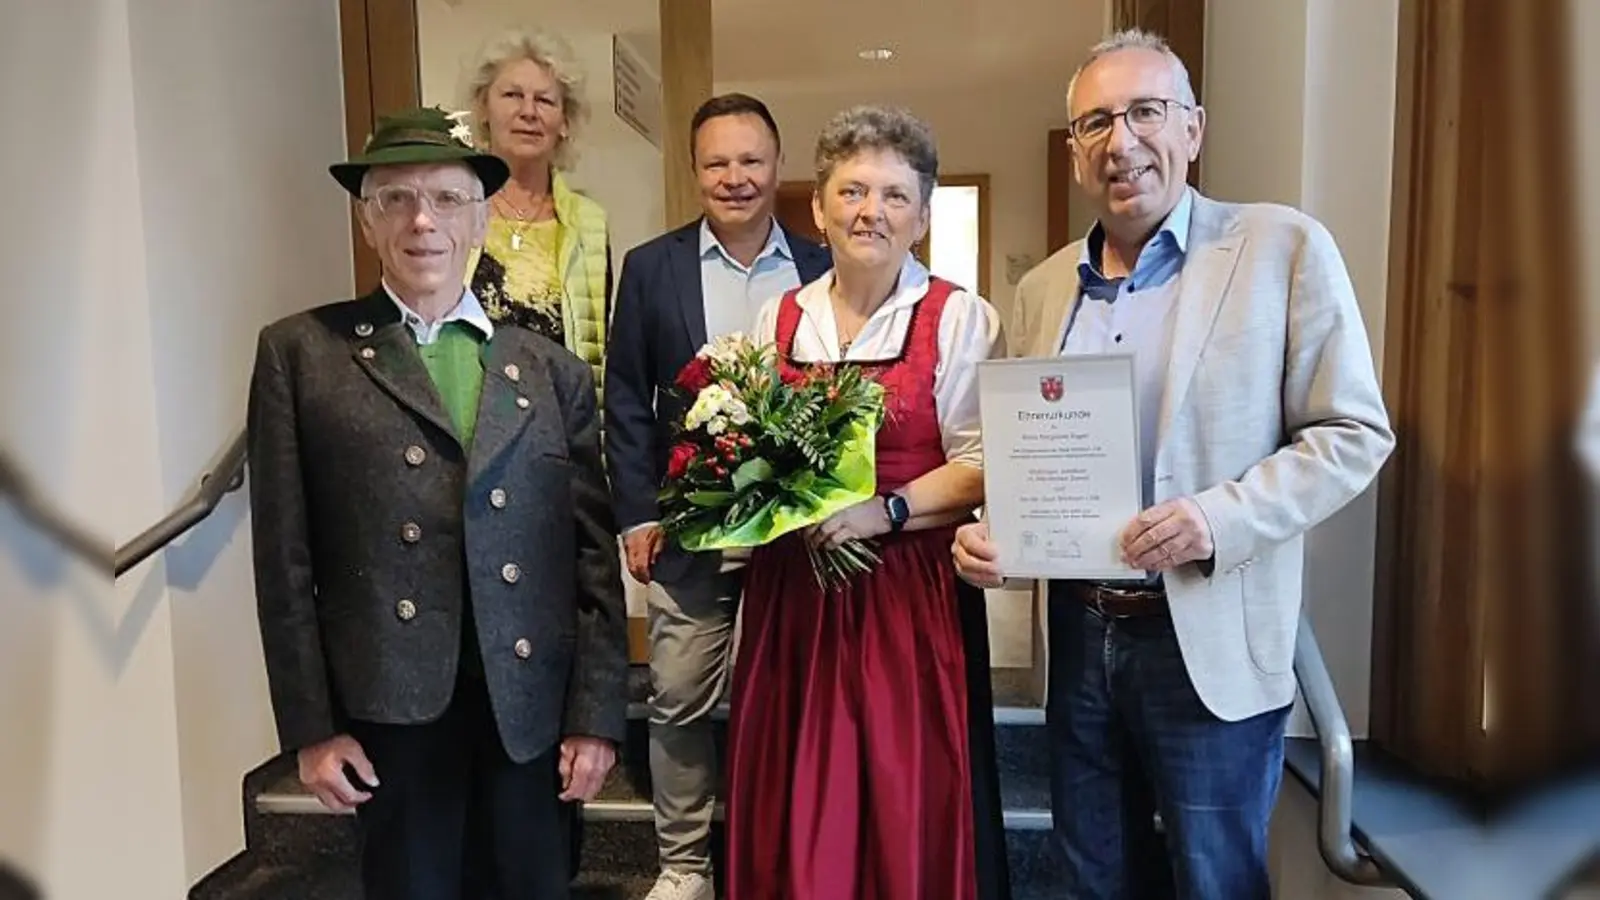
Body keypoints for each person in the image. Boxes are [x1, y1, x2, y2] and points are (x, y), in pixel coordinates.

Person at [952, 29, 1395, 900]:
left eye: (1145, 112)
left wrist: (1215, 519)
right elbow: (1034, 458)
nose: (1121, 142)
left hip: (1208, 636)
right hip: (1078, 636)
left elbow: (1353, 433)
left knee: (1214, 882)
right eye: (1094, 123)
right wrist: (996, 534)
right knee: (1090, 878)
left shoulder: (1280, 248)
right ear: (1075, 150)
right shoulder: (1044, 291)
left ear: (1193, 128)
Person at [247, 106, 628, 900]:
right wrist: (311, 730)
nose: (423, 221)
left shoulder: (549, 370)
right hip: (390, 708)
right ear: (367, 221)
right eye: (396, 200)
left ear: (481, 218)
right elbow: (284, 561)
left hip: (529, 712)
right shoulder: (302, 354)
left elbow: (592, 555)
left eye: (448, 200)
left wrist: (596, 714)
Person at [723, 104, 1012, 900]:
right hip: (796, 598)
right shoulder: (779, 317)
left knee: (901, 782)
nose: (869, 212)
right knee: (798, 777)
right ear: (817, 208)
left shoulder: (958, 316)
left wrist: (880, 511)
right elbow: (749, 447)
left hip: (909, 597)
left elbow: (985, 463)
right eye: (851, 191)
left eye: (892, 195)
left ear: (922, 214)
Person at [604, 92, 831, 900]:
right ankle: (685, 865)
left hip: (795, 533)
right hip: (687, 527)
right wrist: (636, 512)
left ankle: (793, 853)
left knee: (801, 698)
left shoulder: (821, 266)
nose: (735, 177)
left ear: (777, 166)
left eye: (750, 160)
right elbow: (626, 398)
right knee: (676, 696)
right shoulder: (650, 267)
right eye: (716, 162)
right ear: (694, 170)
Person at [463, 28, 611, 392]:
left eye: (545, 100)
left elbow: (597, 348)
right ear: (483, 108)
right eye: (512, 95)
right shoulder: (454, 210)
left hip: (559, 427)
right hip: (467, 425)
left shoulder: (590, 223)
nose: (528, 112)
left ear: (565, 121)